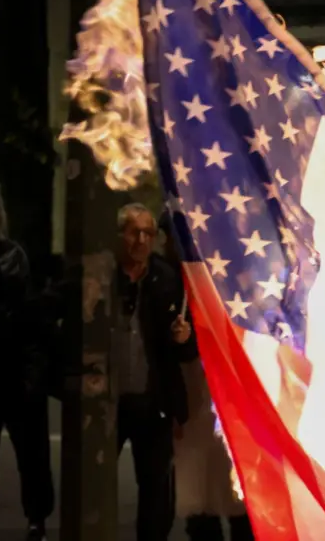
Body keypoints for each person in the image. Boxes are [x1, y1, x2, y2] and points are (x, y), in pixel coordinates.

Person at [158, 214, 254, 541]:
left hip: (229, 389)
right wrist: (180, 340)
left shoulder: (231, 276)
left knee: (233, 484)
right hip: (190, 394)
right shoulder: (168, 279)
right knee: (199, 485)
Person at [0, 171, 54, 541]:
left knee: (33, 457)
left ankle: (37, 522)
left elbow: (23, 307)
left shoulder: (11, 254)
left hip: (15, 369)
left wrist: (33, 372)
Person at [112, 203, 198, 541]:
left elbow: (184, 352)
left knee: (157, 493)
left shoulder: (166, 278)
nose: (142, 240)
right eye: (134, 232)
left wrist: (183, 338)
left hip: (153, 402)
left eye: (148, 233)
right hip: (108, 402)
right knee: (92, 481)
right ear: (120, 235)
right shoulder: (101, 273)